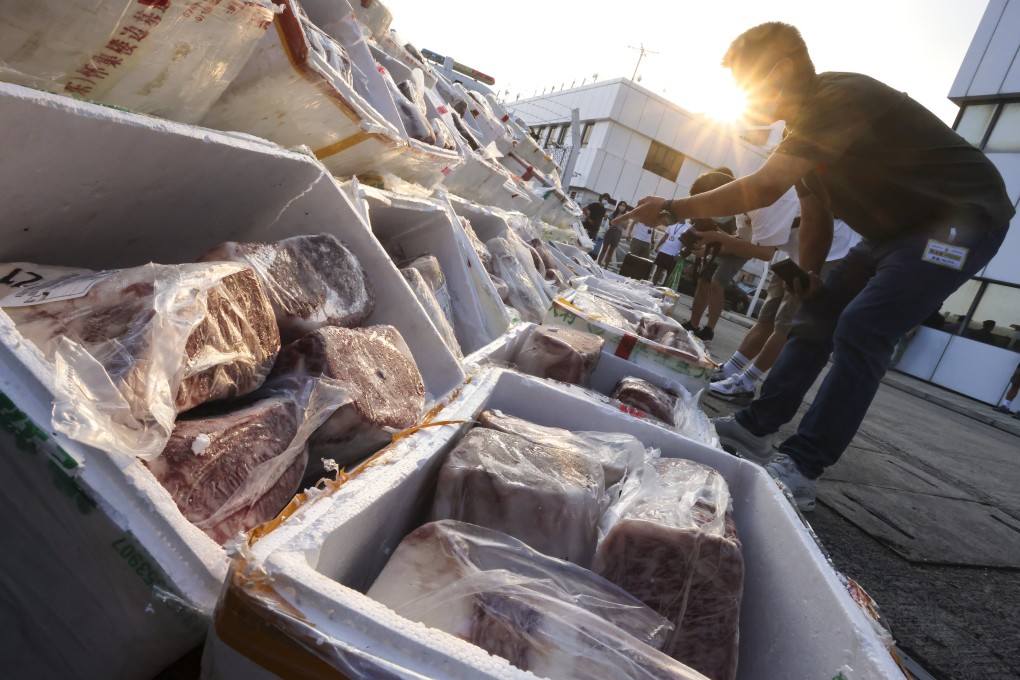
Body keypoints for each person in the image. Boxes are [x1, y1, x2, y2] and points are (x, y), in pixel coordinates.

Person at [613, 22, 1013, 512]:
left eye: (748, 85)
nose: (746, 99)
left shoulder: (837, 96)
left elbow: (763, 188)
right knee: (817, 314)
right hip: (892, 234)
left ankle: (803, 467)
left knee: (865, 327)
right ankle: (756, 428)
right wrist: (812, 275)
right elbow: (817, 213)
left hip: (963, 222)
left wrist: (675, 208)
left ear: (780, 70)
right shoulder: (800, 129)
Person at [710, 218, 861, 400]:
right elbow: (751, 242)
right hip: (796, 252)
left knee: (784, 325)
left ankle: (747, 382)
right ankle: (730, 369)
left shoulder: (775, 207)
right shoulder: (753, 208)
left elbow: (760, 250)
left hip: (829, 253)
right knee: (767, 318)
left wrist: (715, 237)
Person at [651, 218, 688, 285]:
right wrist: (657, 246)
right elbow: (665, 237)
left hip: (674, 254)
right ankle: (652, 286)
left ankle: (665, 292)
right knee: (658, 270)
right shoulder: (671, 224)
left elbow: (685, 243)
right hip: (664, 250)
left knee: (670, 274)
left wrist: (680, 253)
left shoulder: (687, 227)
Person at [598, 201, 630, 268]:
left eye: (624, 206)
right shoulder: (613, 213)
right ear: (618, 206)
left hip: (618, 233)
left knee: (611, 251)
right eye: (621, 205)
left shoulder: (626, 216)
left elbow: (625, 227)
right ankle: (598, 264)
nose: (622, 207)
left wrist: (622, 220)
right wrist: (614, 220)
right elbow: (610, 223)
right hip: (611, 230)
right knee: (604, 249)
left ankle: (606, 266)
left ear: (625, 208)